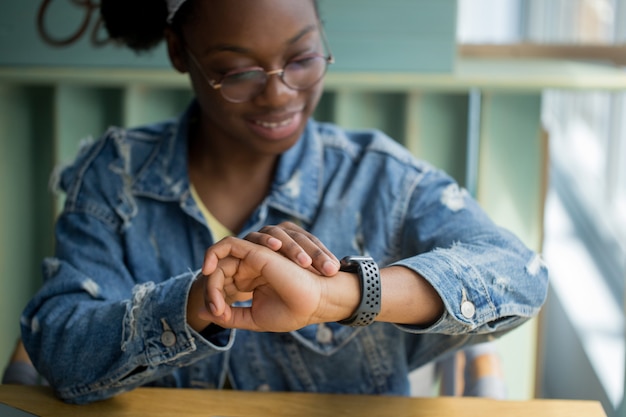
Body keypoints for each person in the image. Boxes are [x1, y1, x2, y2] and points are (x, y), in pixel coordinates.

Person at [20, 0, 548, 405]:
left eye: (301, 59)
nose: (278, 94)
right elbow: (60, 348)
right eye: (240, 72)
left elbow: (520, 274)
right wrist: (197, 301)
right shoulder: (115, 178)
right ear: (181, 52)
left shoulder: (381, 180)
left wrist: (340, 296)